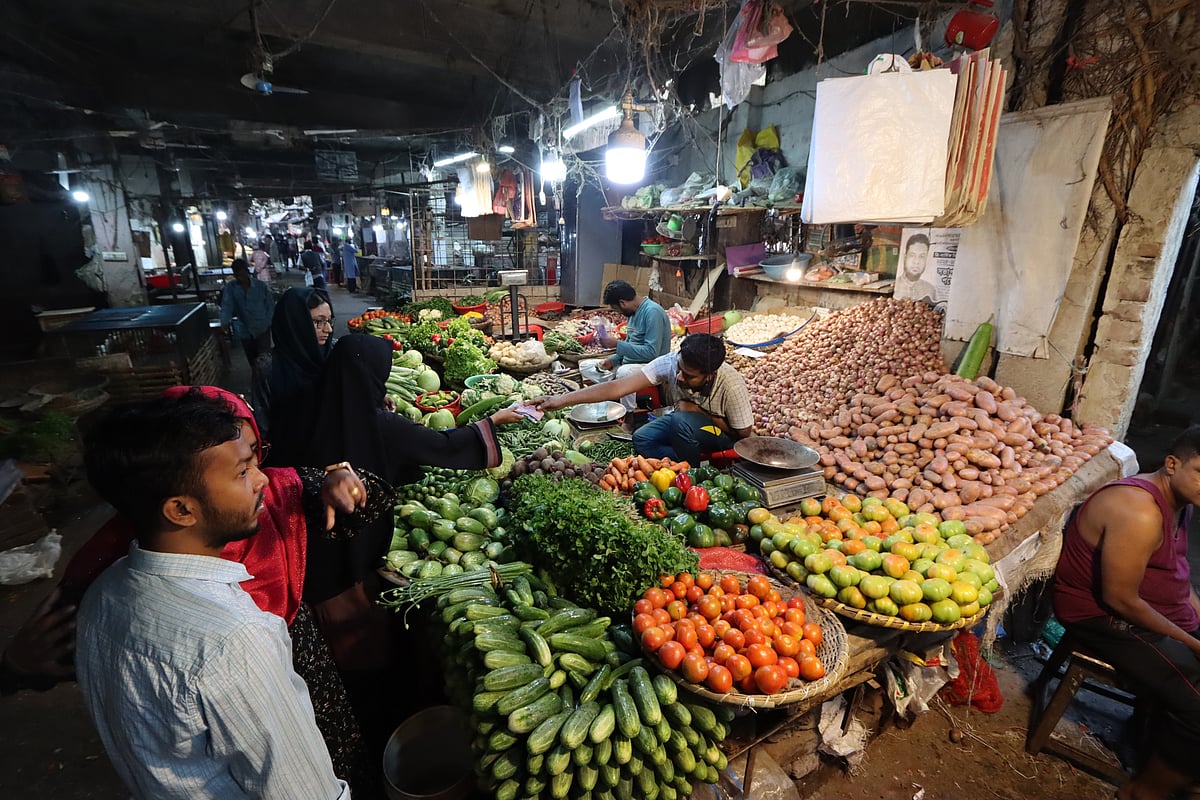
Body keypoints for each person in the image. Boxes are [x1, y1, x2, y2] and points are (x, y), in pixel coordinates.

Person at [3, 386, 388, 795]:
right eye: (243, 471)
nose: (262, 479)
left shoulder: (104, 591)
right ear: (181, 510)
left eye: (257, 459)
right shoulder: (235, 638)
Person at [1052, 426, 1200, 800]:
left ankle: (1161, 743)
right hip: (1105, 618)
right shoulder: (1139, 512)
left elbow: (1181, 583)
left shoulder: (1183, 504)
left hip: (1149, 612)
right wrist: (1191, 642)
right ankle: (1143, 791)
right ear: (1172, 464)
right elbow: (1120, 599)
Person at [533, 333, 754, 465]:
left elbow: (743, 435)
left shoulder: (731, 384)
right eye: (679, 368)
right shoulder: (671, 362)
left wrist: (699, 412)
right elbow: (618, 387)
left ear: (710, 374)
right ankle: (677, 465)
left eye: (689, 375)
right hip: (684, 423)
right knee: (642, 438)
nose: (679, 376)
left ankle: (694, 475)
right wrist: (560, 400)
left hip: (721, 435)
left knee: (680, 421)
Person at [267, 287, 335, 460]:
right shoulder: (269, 366)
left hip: (331, 458)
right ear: (296, 322)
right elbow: (262, 425)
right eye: (318, 322)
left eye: (329, 320)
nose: (328, 329)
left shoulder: (333, 354)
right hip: (287, 461)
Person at [599, 279, 673, 410]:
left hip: (652, 365)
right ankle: (608, 401)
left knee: (624, 373)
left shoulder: (652, 312)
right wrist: (613, 360)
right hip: (632, 362)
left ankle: (628, 415)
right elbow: (630, 342)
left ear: (622, 303)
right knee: (587, 366)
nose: (619, 313)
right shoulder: (632, 313)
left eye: (616, 309)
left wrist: (617, 345)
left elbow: (651, 352)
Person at [219, 258, 274, 407]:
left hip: (262, 328)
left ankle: (269, 385)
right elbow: (227, 306)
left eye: (243, 274)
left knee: (264, 358)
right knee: (253, 360)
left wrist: (269, 322)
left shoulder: (260, 287)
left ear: (247, 272)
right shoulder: (231, 288)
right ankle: (258, 386)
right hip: (245, 329)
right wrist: (224, 323)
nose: (241, 278)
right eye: (238, 275)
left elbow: (270, 305)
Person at [898, 233, 936, 303]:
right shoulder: (896, 285)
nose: (916, 261)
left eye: (922, 256)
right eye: (912, 255)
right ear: (905, 257)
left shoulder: (930, 289)